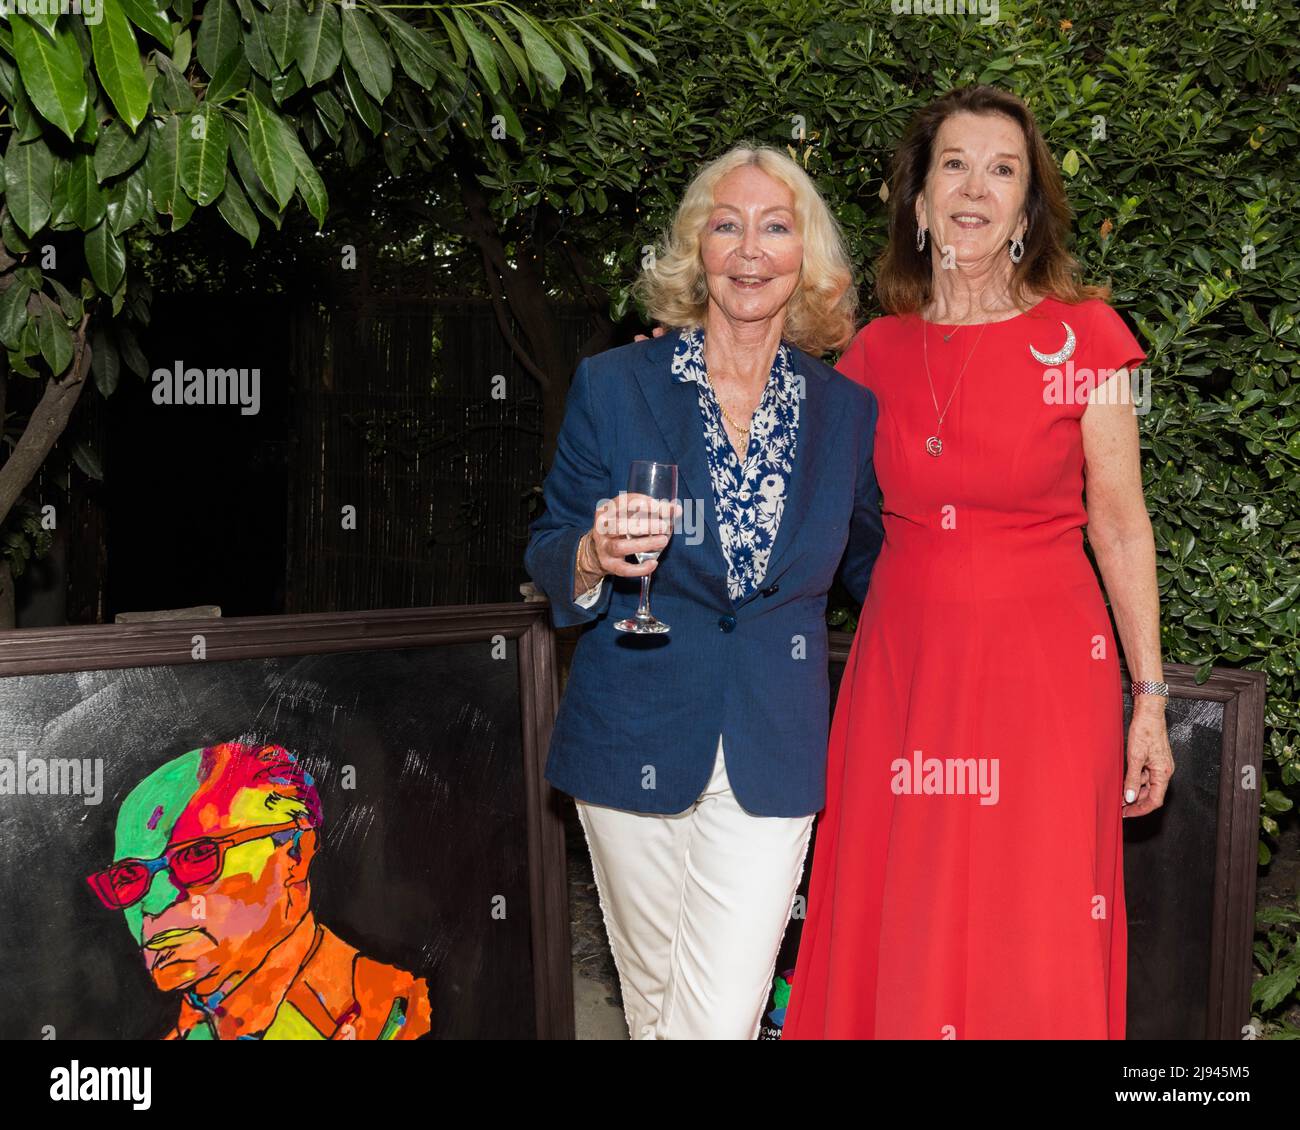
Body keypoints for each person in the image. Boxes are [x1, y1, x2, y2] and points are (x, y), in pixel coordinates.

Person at [784, 85, 1174, 1040]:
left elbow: (1120, 526)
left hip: (1046, 675)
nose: (975, 188)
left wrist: (1150, 698)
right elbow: (806, 513)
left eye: (1003, 170)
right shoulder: (870, 354)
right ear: (918, 205)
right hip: (904, 673)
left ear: (1027, 209)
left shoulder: (1086, 337)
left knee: (1032, 909)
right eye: (952, 165)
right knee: (904, 903)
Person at [524, 145, 884, 1039]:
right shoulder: (615, 385)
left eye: (775, 227)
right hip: (629, 734)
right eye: (727, 226)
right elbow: (548, 545)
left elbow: (879, 563)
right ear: (698, 251)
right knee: (655, 1011)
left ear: (808, 259)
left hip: (773, 748)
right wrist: (595, 555)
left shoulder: (846, 412)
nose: (750, 249)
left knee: (716, 1019)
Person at [86, 740, 431, 1040]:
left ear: (294, 855)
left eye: (197, 856)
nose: (155, 901)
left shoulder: (394, 1014)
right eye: (128, 878)